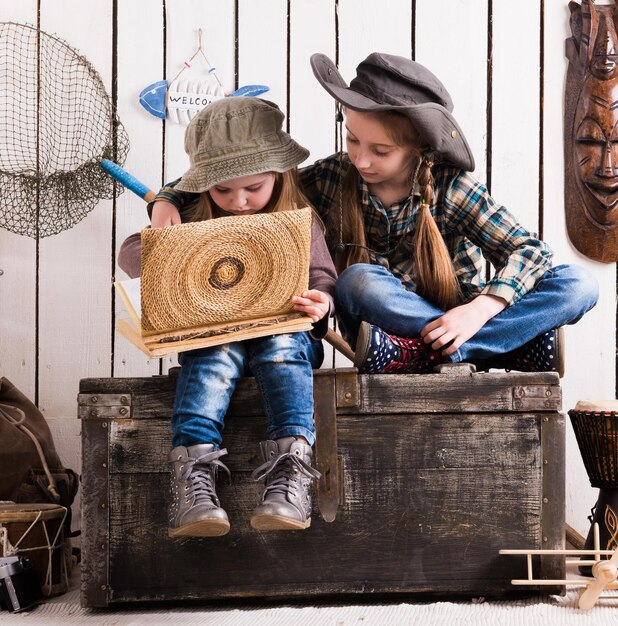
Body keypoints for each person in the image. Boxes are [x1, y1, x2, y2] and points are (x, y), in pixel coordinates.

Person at [144, 52, 599, 377]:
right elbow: (252, 184)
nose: (360, 158)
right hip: (379, 318)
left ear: (420, 149)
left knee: (580, 284)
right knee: (357, 280)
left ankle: (431, 353)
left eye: (380, 150)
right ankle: (506, 349)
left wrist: (479, 311)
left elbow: (531, 251)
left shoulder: (452, 188)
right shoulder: (328, 179)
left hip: (455, 318)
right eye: (353, 139)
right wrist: (163, 198)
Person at [118, 97, 337, 537]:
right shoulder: (192, 214)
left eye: (253, 188)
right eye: (222, 190)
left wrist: (322, 301)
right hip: (216, 333)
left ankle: (291, 471)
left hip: (286, 336)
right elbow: (130, 256)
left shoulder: (297, 219)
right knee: (213, 353)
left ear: (278, 175)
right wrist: (165, 227)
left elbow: (323, 276)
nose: (239, 201)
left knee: (279, 346)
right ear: (203, 187)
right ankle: (194, 476)